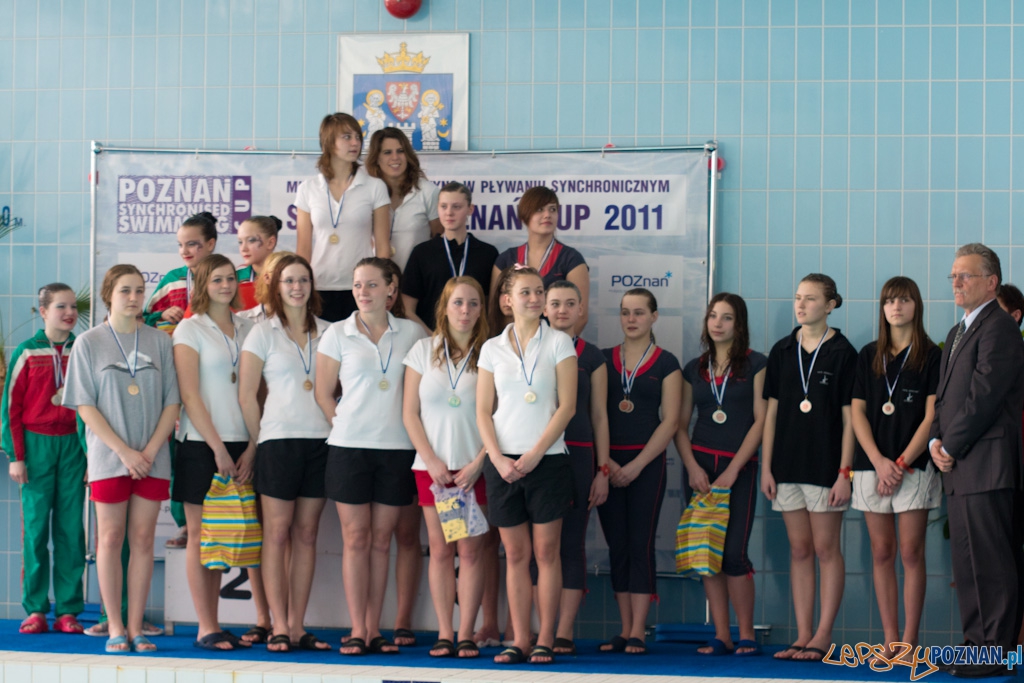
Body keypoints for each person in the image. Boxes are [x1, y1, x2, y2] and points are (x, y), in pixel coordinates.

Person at [63, 265, 180, 653]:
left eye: (139, 290)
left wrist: (147, 452)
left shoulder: (159, 342)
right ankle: (114, 626)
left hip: (152, 456)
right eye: (125, 291)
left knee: (144, 540)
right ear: (108, 295)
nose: (134, 298)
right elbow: (84, 406)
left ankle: (136, 626)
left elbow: (172, 402)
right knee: (110, 540)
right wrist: (124, 451)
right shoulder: (89, 343)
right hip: (109, 457)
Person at [315, 257, 426, 656]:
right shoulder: (337, 334)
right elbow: (323, 392)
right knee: (356, 539)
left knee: (382, 542)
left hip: (397, 449)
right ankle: (358, 627)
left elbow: (434, 375)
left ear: (391, 290)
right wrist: (343, 423)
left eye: (372, 285)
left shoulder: (413, 333)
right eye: (357, 284)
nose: (363, 291)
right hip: (348, 448)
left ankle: (375, 628)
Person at [929, 243, 1024, 678]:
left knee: (991, 561)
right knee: (967, 563)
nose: (956, 282)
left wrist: (950, 445)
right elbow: (945, 400)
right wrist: (935, 440)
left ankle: (996, 652)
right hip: (959, 463)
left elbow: (983, 396)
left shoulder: (999, 327)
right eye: (953, 275)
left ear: (991, 281)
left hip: (986, 463)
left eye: (964, 275)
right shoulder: (956, 332)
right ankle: (975, 645)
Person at [477, 265, 577, 665]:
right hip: (503, 465)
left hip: (547, 461)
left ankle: (546, 639)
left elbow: (567, 406)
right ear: (507, 300)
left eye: (539, 292)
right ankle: (519, 639)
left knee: (546, 553)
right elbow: (483, 412)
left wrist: (535, 453)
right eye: (526, 293)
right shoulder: (491, 348)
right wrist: (498, 458)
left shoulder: (560, 342)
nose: (534, 299)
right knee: (515, 556)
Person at [238, 254, 332, 653]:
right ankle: (277, 623)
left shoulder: (330, 332)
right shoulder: (261, 333)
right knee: (276, 533)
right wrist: (258, 441)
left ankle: (296, 626)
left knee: (306, 535)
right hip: (277, 441)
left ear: (312, 287)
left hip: (322, 442)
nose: (297, 287)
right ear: (276, 287)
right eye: (289, 281)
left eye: (303, 280)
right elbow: (246, 394)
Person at [760, 273, 856, 662]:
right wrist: (767, 467)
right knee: (799, 550)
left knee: (825, 548)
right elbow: (770, 414)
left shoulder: (844, 353)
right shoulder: (782, 350)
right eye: (798, 297)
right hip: (786, 465)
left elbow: (851, 419)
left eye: (811, 299)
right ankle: (802, 635)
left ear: (830, 305)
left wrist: (845, 472)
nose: (801, 305)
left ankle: (823, 635)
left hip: (825, 466)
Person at [850, 276, 940, 661]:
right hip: (873, 465)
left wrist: (900, 463)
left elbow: (933, 415)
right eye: (889, 301)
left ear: (916, 305)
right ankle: (889, 640)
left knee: (910, 552)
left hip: (913, 467)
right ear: (882, 308)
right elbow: (856, 412)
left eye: (904, 300)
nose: (896, 307)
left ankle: (910, 642)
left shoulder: (932, 355)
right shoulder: (869, 353)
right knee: (882, 551)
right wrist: (878, 461)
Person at [402, 276, 490, 659]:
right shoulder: (422, 350)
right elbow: (409, 413)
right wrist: (433, 461)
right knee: (440, 551)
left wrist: (478, 463)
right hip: (433, 470)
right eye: (458, 303)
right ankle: (444, 632)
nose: (465, 311)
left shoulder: (491, 352)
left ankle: (467, 633)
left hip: (474, 469)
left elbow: (500, 416)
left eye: (473, 303)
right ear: (444, 307)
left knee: (470, 553)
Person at [171, 254, 255, 651]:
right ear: (202, 284)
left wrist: (251, 446)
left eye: (230, 279)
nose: (225, 285)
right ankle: (207, 625)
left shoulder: (247, 326)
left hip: (242, 443)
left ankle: (221, 623)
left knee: (224, 537)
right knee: (201, 537)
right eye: (217, 279)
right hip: (203, 444)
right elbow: (190, 395)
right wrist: (218, 449)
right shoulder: (190, 329)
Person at [676, 292, 766, 657]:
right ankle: (721, 635)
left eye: (726, 318)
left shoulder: (756, 365)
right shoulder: (693, 368)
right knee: (705, 554)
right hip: (700, 470)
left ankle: (746, 634)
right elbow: (680, 425)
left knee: (733, 555)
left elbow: (761, 422)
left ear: (739, 324)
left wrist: (732, 470)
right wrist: (692, 467)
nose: (717, 323)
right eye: (713, 316)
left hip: (738, 470)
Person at [598, 288, 682, 655]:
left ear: (654, 317)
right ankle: (623, 627)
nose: (631, 319)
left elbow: (672, 421)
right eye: (625, 312)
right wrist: (609, 464)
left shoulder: (667, 363)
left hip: (646, 466)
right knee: (617, 544)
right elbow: (594, 415)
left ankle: (638, 630)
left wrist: (635, 465)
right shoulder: (603, 360)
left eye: (638, 312)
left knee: (640, 543)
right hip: (607, 465)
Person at [1, 284, 87, 635]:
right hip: (35, 448)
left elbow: (91, 406)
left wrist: (89, 455)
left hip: (73, 447)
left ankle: (68, 610)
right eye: (60, 306)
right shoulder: (26, 351)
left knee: (70, 532)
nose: (69, 313)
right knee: (35, 532)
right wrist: (16, 457)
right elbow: (11, 408)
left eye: (72, 307)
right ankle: (35, 609)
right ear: (43, 311)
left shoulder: (83, 349)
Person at [536, 280, 610, 655]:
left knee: (571, 543)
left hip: (578, 455)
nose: (562, 310)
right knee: (538, 546)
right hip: (536, 454)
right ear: (543, 308)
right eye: (555, 304)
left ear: (582, 310)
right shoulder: (528, 351)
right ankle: (538, 631)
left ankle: (562, 632)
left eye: (570, 304)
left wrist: (602, 469)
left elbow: (599, 415)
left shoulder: (593, 356)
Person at [295, 112, 391, 322]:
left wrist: (381, 287)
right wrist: (301, 286)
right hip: (320, 287)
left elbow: (383, 248)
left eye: (357, 137)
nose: (355, 143)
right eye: (346, 137)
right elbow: (303, 249)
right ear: (329, 142)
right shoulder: (308, 189)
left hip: (361, 289)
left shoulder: (374, 187)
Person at [491, 187, 589, 336]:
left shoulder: (572, 259)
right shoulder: (505, 259)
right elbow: (495, 312)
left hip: (554, 352)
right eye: (539, 209)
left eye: (552, 209)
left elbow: (580, 317)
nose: (547, 215)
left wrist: (555, 350)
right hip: (513, 350)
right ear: (524, 216)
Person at [403, 182, 499, 332]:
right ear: (437, 209)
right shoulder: (421, 253)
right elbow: (407, 309)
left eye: (456, 207)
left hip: (475, 344)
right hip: (432, 342)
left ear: (470, 209)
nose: (449, 212)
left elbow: (491, 309)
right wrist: (433, 339)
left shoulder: (487, 253)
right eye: (444, 206)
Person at [364, 127, 442, 270]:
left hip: (417, 283)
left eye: (400, 151)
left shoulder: (428, 191)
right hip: (377, 282)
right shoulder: (366, 194)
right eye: (387, 152)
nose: (395, 157)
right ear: (376, 159)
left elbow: (439, 242)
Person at [236, 215, 282, 312]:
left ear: (270, 243)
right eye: (240, 242)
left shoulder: (286, 275)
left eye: (251, 240)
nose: (243, 248)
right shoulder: (235, 276)